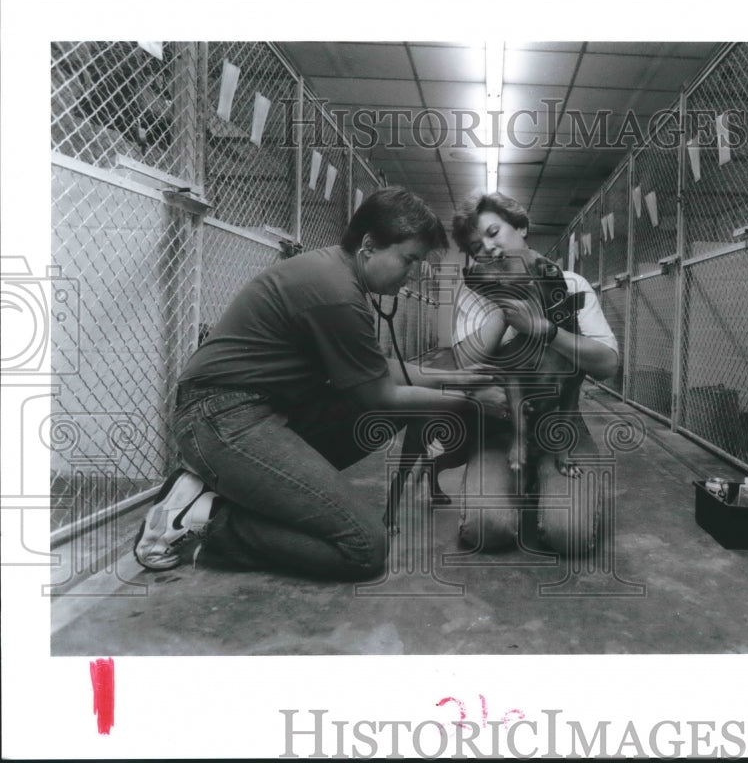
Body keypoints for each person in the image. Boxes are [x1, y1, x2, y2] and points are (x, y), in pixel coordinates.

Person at [133, 187, 506, 580]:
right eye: (408, 259)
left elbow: (376, 368)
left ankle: (214, 486)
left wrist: (454, 378)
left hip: (256, 411)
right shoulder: (337, 294)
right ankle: (204, 520)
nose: (413, 273)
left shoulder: (336, 273)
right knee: (364, 547)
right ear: (369, 246)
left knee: (397, 408)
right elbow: (381, 394)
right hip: (220, 418)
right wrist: (471, 400)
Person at [449, 192, 620, 555]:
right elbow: (464, 366)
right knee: (486, 530)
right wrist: (504, 301)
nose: (490, 248)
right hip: (501, 425)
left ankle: (543, 478)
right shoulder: (475, 296)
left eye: (495, 232)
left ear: (521, 227)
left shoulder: (568, 284)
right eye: (478, 246)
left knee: (570, 536)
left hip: (560, 420)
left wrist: (545, 329)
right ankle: (519, 470)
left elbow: (606, 365)